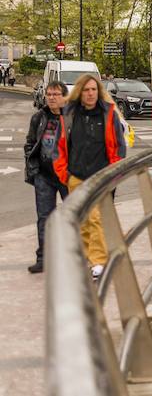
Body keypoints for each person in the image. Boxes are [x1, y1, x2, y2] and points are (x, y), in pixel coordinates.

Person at [53, 74, 127, 279]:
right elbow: (59, 146)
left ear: (99, 91)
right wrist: (64, 174)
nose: (90, 93)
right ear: (79, 92)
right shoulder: (69, 114)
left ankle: (98, 261)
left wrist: (114, 173)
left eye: (94, 89)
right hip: (75, 175)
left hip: (101, 174)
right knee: (81, 219)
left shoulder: (108, 113)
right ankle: (89, 259)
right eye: (86, 90)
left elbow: (119, 147)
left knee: (95, 218)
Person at [24, 80, 69, 273]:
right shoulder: (39, 118)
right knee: (44, 218)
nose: (51, 97)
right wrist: (33, 170)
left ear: (64, 97)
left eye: (56, 94)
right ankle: (43, 257)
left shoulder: (73, 117)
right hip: (44, 175)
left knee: (74, 217)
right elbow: (30, 144)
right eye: (49, 94)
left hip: (68, 176)